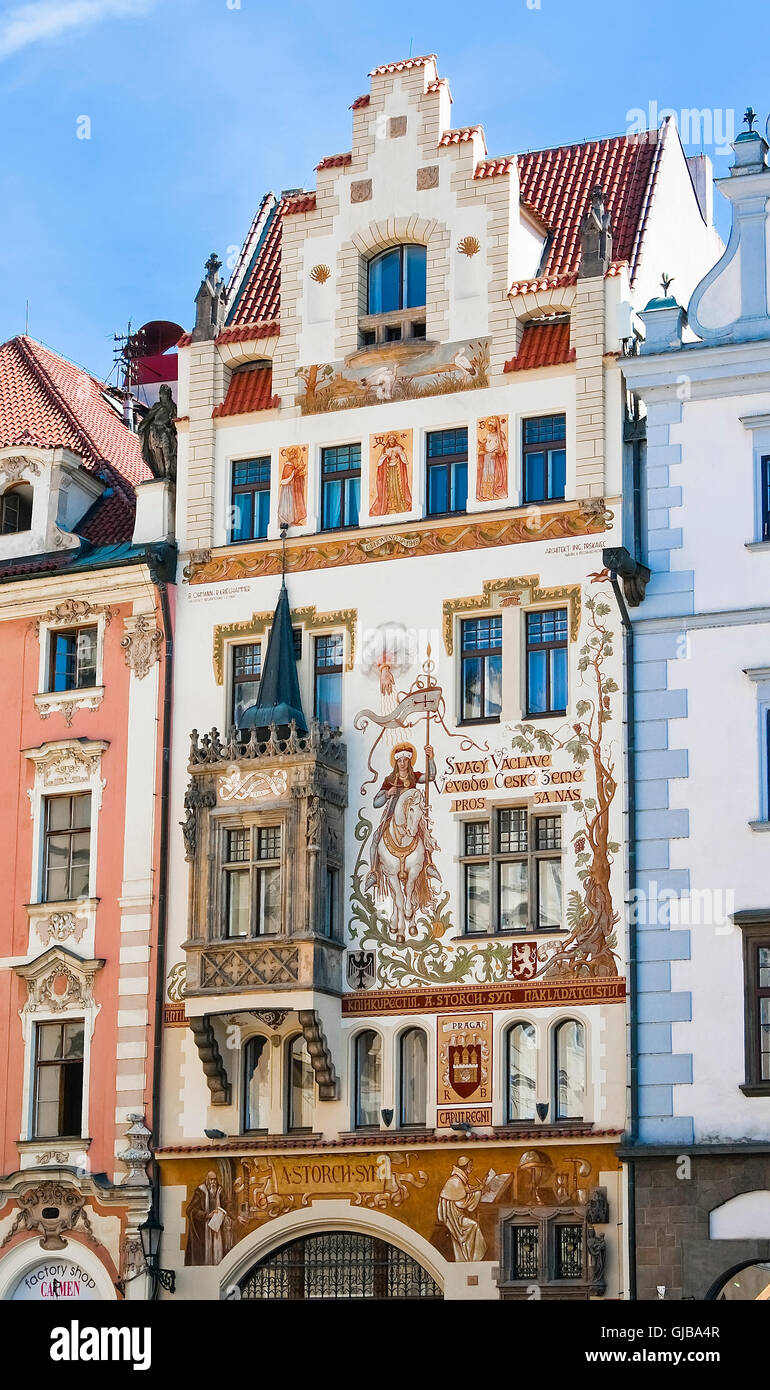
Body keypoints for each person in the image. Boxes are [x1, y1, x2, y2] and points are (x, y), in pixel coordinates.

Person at [364, 742, 435, 892]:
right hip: (392, 814)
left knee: (425, 837)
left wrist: (430, 758)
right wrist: (387, 794)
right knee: (376, 839)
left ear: (409, 761)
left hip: (411, 815)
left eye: (405, 760)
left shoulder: (414, 777)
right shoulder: (390, 780)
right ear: (396, 762)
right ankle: (374, 872)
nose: (402, 763)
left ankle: (428, 865)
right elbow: (376, 803)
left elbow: (431, 777)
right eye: (400, 760)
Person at [437, 1156, 487, 1262]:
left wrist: (478, 1188)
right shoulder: (455, 1181)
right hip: (453, 1219)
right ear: (465, 1167)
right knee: (474, 1225)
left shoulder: (459, 1179)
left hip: (457, 1215)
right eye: (470, 1166)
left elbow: (466, 1190)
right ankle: (473, 1257)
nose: (472, 1168)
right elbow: (462, 1203)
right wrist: (478, 1192)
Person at [185, 1170, 232, 1266]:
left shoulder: (220, 1191)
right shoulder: (200, 1192)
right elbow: (190, 1210)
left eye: (215, 1180)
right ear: (207, 1180)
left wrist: (228, 1214)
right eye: (211, 1180)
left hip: (218, 1228)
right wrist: (206, 1215)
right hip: (204, 1228)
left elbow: (227, 1205)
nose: (213, 1182)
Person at [370, 433, 412, 515]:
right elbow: (382, 458)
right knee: (389, 486)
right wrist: (384, 458)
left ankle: (398, 504)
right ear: (388, 441)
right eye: (390, 440)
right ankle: (390, 504)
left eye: (392, 439)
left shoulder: (398, 447)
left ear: (395, 440)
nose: (391, 441)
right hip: (389, 469)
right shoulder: (386, 448)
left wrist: (404, 460)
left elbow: (402, 455)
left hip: (397, 468)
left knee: (397, 484)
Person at [476, 416, 507, 501]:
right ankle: (486, 493)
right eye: (489, 422)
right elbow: (484, 444)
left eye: (492, 422)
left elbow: (504, 447)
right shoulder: (488, 435)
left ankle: (495, 491)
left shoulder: (500, 435)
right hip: (487, 457)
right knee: (486, 476)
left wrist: (496, 451)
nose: (490, 424)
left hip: (495, 458)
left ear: (496, 424)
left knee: (494, 475)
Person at [277, 446, 307, 526]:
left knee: (294, 503)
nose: (295, 458)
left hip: (294, 487)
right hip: (288, 489)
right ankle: (288, 520)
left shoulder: (293, 465)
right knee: (289, 503)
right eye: (294, 456)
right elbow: (288, 477)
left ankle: (294, 520)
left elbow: (294, 475)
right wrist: (297, 470)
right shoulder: (288, 465)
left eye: (296, 455)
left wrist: (300, 474)